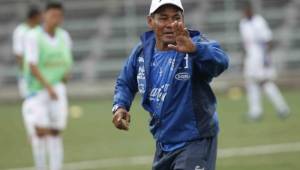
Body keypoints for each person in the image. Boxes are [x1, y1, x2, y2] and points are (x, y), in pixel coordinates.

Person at [112, 0, 229, 169]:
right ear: (150, 21)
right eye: (163, 18)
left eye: (176, 18)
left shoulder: (193, 42)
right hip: (163, 143)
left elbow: (221, 62)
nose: (170, 24)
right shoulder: (142, 52)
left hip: (195, 141)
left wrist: (195, 49)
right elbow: (125, 82)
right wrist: (120, 106)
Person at [22, 2, 73, 170]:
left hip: (57, 89)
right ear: (44, 15)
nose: (55, 19)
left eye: (58, 16)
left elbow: (67, 62)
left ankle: (56, 167)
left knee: (55, 132)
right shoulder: (33, 36)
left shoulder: (64, 36)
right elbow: (32, 65)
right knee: (40, 132)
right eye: (52, 15)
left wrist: (65, 76)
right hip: (38, 90)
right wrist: (48, 87)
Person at [239, 2, 290, 121]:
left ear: (251, 10)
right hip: (250, 58)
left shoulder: (259, 21)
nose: (245, 13)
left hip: (260, 57)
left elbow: (268, 40)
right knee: (251, 83)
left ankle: (282, 108)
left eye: (247, 10)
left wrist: (266, 59)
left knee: (265, 83)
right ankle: (255, 112)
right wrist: (243, 60)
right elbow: (245, 44)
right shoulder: (243, 23)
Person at [12, 5, 41, 98]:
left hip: (40, 71)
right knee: (30, 101)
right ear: (35, 17)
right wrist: (25, 73)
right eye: (40, 16)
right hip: (28, 73)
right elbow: (19, 54)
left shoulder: (39, 30)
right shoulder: (20, 31)